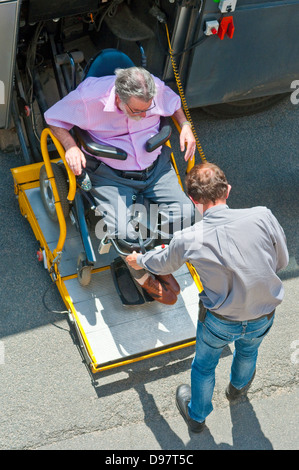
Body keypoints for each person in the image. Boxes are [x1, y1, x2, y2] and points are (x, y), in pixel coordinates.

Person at [126, 162, 289, 432]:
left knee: (204, 367)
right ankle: (237, 390)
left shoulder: (188, 237)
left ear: (193, 201)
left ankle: (197, 417)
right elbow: (280, 261)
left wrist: (138, 259)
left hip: (220, 321)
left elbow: (162, 264)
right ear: (228, 190)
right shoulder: (263, 216)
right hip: (263, 314)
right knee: (249, 351)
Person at [44, 66, 196, 305]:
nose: (146, 115)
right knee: (126, 236)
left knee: (187, 216)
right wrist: (71, 146)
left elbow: (173, 101)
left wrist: (185, 125)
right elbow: (53, 118)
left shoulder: (151, 89)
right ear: (118, 98)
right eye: (137, 111)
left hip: (155, 166)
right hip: (111, 173)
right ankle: (142, 273)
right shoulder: (88, 98)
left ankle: (154, 258)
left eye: (149, 110)